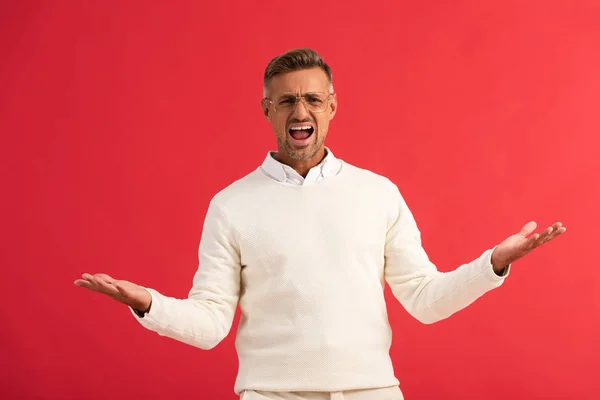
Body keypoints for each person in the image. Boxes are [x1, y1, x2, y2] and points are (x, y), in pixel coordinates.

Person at [74, 48, 566, 400]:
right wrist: (148, 304)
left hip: (372, 391)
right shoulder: (231, 205)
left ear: (331, 107)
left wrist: (493, 264)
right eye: (286, 100)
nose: (300, 110)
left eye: (312, 98)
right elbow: (209, 325)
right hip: (271, 394)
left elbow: (425, 299)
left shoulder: (378, 193)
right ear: (267, 110)